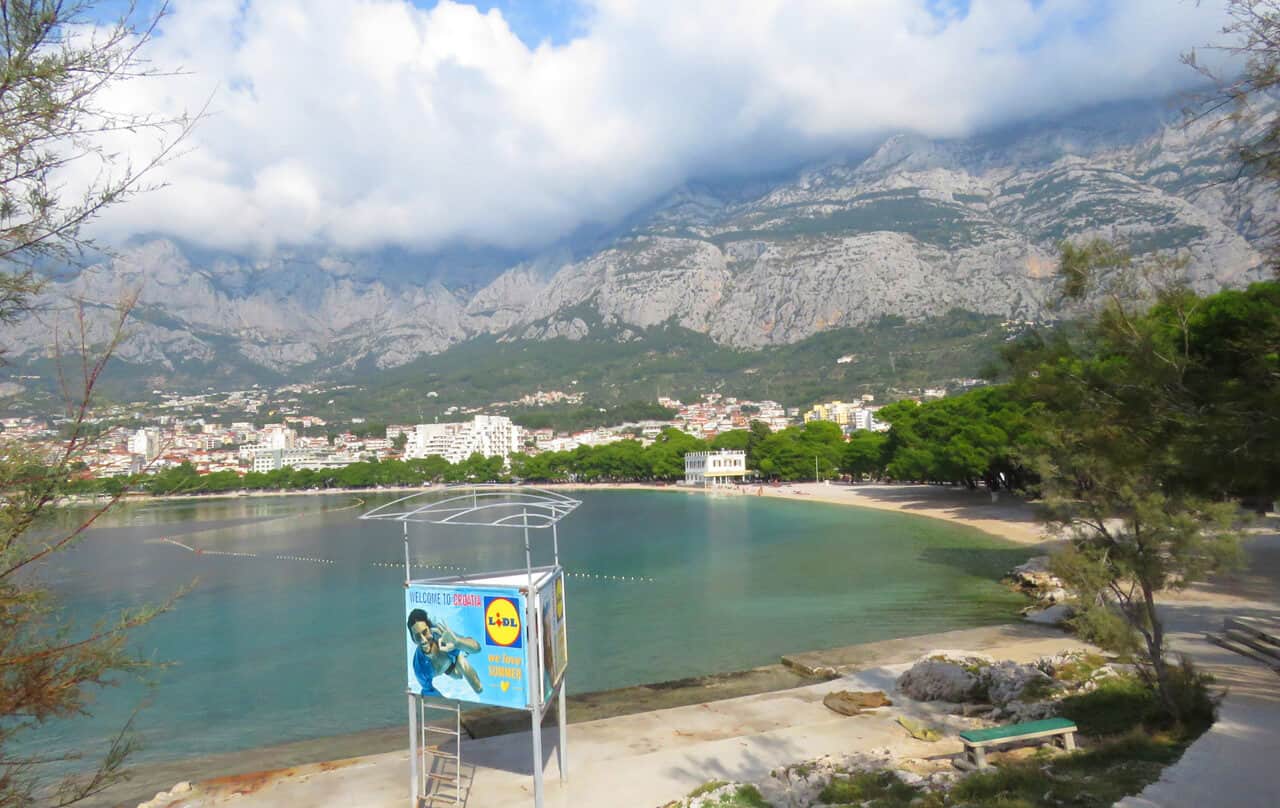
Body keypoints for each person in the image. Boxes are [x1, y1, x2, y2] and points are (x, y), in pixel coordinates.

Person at [407, 608, 483, 695]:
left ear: (430, 629)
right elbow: (428, 691)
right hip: (447, 668)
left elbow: (477, 648)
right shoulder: (420, 669)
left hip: (454, 655)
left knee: (478, 688)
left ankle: (462, 655)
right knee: (458, 676)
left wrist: (457, 642)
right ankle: (456, 663)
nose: (423, 640)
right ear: (413, 640)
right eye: (418, 637)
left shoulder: (440, 635)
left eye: (425, 632)